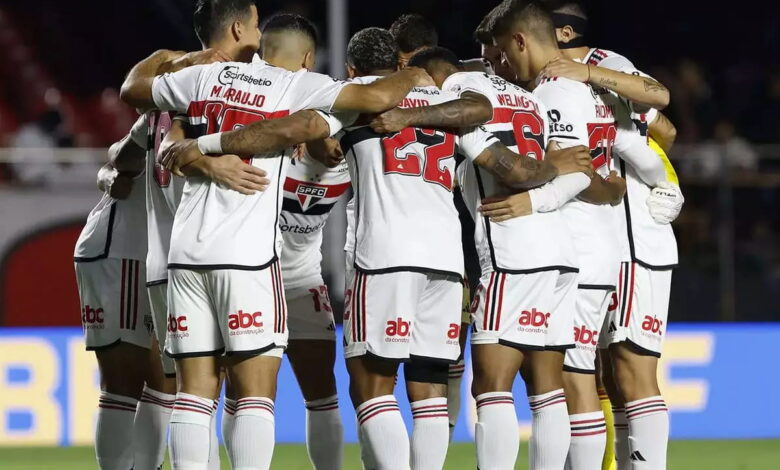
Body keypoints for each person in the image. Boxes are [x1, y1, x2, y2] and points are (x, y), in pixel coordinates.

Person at [119, 5, 433, 467]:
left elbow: (134, 90)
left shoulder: (208, 77)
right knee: (255, 394)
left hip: (185, 255)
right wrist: (415, 74)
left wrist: (177, 67)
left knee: (193, 393)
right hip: (248, 259)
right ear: (309, 60)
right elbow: (374, 97)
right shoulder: (301, 87)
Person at [376, 45, 596, 470]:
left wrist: (412, 116)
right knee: (547, 388)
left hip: (513, 253)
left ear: (438, 79)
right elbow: (580, 168)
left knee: (492, 386)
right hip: (560, 253)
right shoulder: (528, 97)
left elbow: (506, 165)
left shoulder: (459, 95)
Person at [73, 117, 152, 470]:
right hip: (126, 248)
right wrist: (108, 175)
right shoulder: (167, 108)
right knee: (123, 382)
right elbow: (120, 158)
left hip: (164, 255)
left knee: (173, 382)